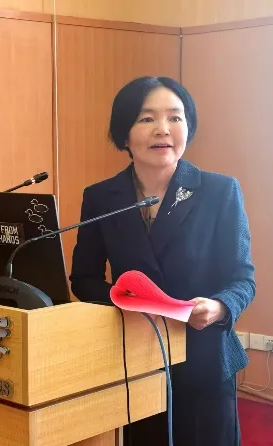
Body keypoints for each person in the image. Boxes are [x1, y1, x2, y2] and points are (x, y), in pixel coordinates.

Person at [69, 76, 255, 446]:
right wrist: (126, 304)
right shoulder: (102, 198)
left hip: (203, 358)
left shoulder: (219, 191)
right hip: (134, 358)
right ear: (124, 134)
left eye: (175, 117)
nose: (163, 129)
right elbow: (84, 278)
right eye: (146, 118)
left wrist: (219, 306)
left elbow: (242, 279)